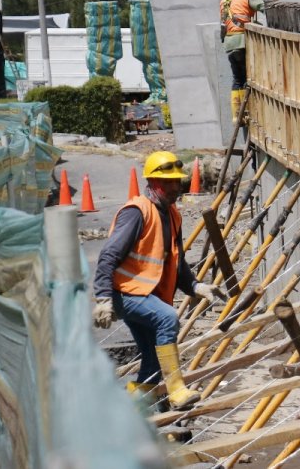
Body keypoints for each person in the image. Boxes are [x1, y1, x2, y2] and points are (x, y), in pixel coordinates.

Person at [92, 151, 223, 410]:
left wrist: (195, 286)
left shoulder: (172, 215)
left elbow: (177, 261)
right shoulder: (136, 213)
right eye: (169, 182)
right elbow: (108, 255)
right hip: (124, 293)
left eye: (177, 181)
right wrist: (103, 297)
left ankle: (135, 412)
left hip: (144, 295)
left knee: (152, 358)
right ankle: (176, 390)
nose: (176, 187)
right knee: (167, 318)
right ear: (154, 183)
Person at [220, 0, 265, 124]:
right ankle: (248, 112)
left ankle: (236, 116)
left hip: (229, 43)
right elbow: (263, 6)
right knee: (248, 78)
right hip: (242, 41)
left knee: (237, 79)